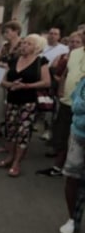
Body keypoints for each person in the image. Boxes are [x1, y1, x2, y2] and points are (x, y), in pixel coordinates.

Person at [0, 34, 50, 177]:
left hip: (29, 102)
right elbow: (3, 81)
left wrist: (26, 86)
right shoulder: (13, 60)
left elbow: (46, 82)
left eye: (28, 44)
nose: (24, 46)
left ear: (36, 47)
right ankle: (9, 157)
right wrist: (11, 85)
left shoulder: (41, 61)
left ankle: (16, 163)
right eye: (23, 43)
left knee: (23, 132)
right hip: (12, 100)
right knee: (11, 130)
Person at [36, 30, 85, 177]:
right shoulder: (75, 53)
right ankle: (58, 167)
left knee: (77, 140)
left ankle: (74, 172)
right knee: (62, 136)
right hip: (67, 102)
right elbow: (65, 73)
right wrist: (61, 89)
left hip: (82, 106)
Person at [0, 20, 22, 145]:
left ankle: (9, 136)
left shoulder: (22, 45)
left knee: (11, 107)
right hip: (0, 77)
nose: (5, 34)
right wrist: (3, 64)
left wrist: (4, 65)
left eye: (7, 31)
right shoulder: (4, 46)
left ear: (16, 31)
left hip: (14, 78)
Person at [59, 74, 85, 233]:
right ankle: (72, 219)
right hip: (78, 135)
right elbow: (75, 103)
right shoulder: (83, 81)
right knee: (72, 178)